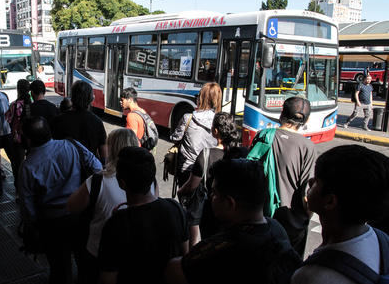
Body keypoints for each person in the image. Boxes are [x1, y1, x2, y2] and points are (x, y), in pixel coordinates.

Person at [165, 158, 302, 284]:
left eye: (214, 193)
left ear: (230, 204)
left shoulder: (218, 248)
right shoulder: (277, 228)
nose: (211, 196)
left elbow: (173, 271)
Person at [67, 128, 158, 284]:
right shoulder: (148, 180)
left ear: (112, 148)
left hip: (99, 253)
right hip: (137, 251)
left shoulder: (98, 181)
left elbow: (71, 207)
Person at [19, 116, 102, 284]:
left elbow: (27, 205)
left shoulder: (27, 167)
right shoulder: (71, 145)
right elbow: (97, 168)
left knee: (60, 268)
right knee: (84, 260)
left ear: (28, 140)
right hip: (80, 215)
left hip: (51, 224)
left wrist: (34, 227)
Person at [291, 145, 389, 284]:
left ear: (330, 201)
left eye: (316, 181)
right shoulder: (382, 239)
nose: (310, 182)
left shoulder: (311, 277)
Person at [97, 146, 189, 284]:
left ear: (122, 183)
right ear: (152, 177)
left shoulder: (115, 225)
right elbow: (184, 262)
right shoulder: (175, 209)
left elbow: (107, 279)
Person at [248, 96, 317, 257]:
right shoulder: (307, 147)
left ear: (282, 113)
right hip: (292, 225)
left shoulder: (264, 135)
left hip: (261, 218)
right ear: (306, 120)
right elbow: (307, 196)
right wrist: (308, 214)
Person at [177, 112, 248, 248]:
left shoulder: (206, 154)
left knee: (211, 249)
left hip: (213, 213)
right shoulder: (243, 152)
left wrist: (180, 192)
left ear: (215, 131)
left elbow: (192, 185)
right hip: (238, 212)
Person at [170, 82, 222, 188]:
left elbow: (176, 138)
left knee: (185, 200)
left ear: (201, 99)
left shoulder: (188, 118)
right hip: (209, 171)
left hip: (187, 169)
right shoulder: (220, 121)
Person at [50, 80, 107, 163]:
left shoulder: (57, 120)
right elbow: (103, 152)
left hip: (64, 168)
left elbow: (51, 148)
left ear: (72, 98)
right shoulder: (97, 122)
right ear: (91, 99)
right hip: (88, 170)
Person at [5, 79, 32, 193]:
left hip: (17, 138)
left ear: (18, 89)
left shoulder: (14, 104)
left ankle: (19, 185)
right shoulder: (31, 103)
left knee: (17, 163)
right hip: (30, 137)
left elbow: (8, 119)